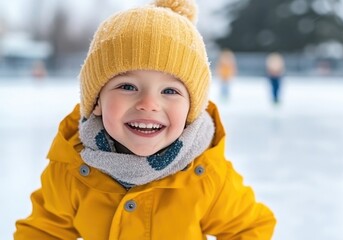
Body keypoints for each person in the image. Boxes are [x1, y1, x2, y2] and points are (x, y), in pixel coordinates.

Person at [14, 0, 276, 239]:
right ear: (96, 103)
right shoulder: (71, 169)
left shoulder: (206, 176)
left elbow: (250, 228)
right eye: (127, 86)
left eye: (170, 91)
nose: (149, 104)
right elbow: (43, 230)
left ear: (191, 110)